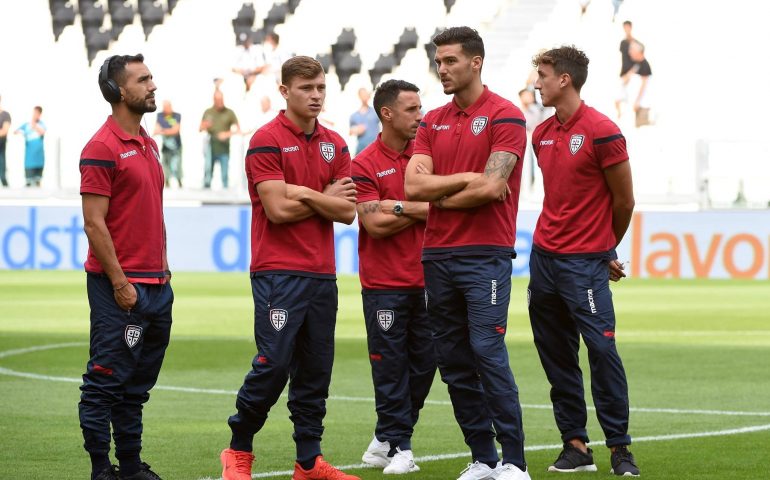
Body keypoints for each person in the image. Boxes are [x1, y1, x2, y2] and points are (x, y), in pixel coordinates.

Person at [219, 55, 360, 480]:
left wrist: (305, 194)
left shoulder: (336, 143)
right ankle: (238, 447)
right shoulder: (265, 139)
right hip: (278, 271)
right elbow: (277, 210)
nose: (315, 96)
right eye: (306, 89)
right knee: (274, 363)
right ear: (284, 91)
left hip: (321, 273)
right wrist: (321, 194)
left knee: (316, 371)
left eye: (320, 88)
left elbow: (348, 211)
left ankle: (308, 461)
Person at [403, 26, 531, 480]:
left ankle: (515, 461)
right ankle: (483, 456)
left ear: (476, 62)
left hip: (485, 255)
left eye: (451, 61)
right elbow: (412, 185)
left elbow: (494, 186)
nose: (442, 69)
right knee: (454, 359)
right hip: (437, 254)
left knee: (487, 351)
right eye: (438, 62)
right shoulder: (432, 119)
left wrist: (439, 193)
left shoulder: (506, 115)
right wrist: (465, 182)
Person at [529, 45, 639, 477]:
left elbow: (624, 200)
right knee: (556, 354)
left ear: (564, 80)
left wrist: (605, 247)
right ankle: (575, 444)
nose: (536, 82)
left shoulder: (602, 130)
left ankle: (619, 449)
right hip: (544, 259)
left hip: (583, 264)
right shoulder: (539, 134)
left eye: (542, 74)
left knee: (601, 350)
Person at [78, 53, 173, 480]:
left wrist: (164, 276)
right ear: (119, 91)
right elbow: (94, 223)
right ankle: (102, 469)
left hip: (156, 285)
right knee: (104, 381)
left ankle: (131, 467)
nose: (153, 86)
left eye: (151, 77)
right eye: (143, 80)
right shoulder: (101, 147)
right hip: (122, 287)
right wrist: (120, 283)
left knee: (135, 388)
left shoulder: (149, 144)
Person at [352, 79, 436, 475]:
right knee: (390, 368)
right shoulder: (364, 163)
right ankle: (400, 446)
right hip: (385, 284)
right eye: (412, 109)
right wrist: (423, 207)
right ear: (386, 113)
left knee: (426, 364)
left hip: (429, 280)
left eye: (421, 108)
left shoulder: (428, 157)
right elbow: (374, 226)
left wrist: (398, 205)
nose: (420, 115)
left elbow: (443, 208)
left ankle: (386, 438)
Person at [200, 91, 240, 188]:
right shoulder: (208, 112)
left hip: (224, 148)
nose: (220, 102)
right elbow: (200, 128)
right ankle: (206, 194)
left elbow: (238, 129)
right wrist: (205, 125)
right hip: (210, 147)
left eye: (221, 99)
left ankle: (225, 196)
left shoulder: (229, 112)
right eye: (218, 100)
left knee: (225, 174)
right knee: (208, 172)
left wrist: (227, 134)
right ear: (214, 100)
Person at [15, 106, 47, 187]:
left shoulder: (41, 124)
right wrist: (21, 132)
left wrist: (34, 126)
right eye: (34, 112)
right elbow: (16, 131)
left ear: (40, 114)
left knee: (37, 182)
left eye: (37, 113)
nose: (35, 115)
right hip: (29, 159)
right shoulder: (26, 125)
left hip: (39, 158)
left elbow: (42, 132)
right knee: (28, 182)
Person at [153, 100, 182, 188]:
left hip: (176, 144)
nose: (166, 109)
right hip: (166, 145)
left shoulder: (176, 116)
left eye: (168, 107)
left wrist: (163, 131)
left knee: (177, 163)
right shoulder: (160, 116)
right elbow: (156, 129)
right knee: (165, 163)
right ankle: (167, 181)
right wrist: (167, 131)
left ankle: (179, 180)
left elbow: (175, 130)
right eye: (165, 107)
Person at [349, 87, 380, 156]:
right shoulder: (354, 115)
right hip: (361, 151)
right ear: (359, 96)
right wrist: (356, 130)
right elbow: (350, 131)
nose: (364, 96)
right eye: (362, 94)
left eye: (366, 94)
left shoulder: (375, 112)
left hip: (375, 150)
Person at [0, 95, 10, 187]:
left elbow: (4, 131)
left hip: (1, 145)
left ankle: (5, 183)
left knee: (2, 164)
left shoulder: (5, 115)